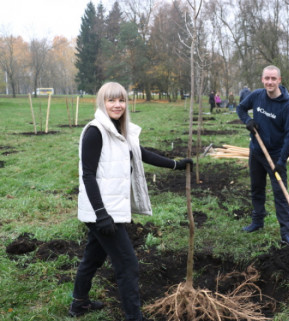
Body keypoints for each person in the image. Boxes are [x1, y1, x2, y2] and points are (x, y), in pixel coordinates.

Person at [70, 82, 192, 321]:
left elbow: (141, 153)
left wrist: (176, 164)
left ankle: (79, 304)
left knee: (93, 257)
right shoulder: (95, 131)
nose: (117, 105)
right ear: (102, 102)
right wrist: (101, 214)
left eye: (122, 100)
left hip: (109, 209)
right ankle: (133, 317)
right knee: (128, 265)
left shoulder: (120, 130)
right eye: (111, 100)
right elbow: (87, 176)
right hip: (103, 212)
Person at [236, 65, 289, 244]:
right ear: (262, 79)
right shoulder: (256, 96)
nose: (270, 82)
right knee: (257, 187)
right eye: (267, 78)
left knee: (280, 192)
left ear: (279, 80)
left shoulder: (288, 106)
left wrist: (281, 161)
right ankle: (257, 221)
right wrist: (248, 120)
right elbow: (240, 109)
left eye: (273, 78)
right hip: (256, 151)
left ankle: (287, 231)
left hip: (276, 155)